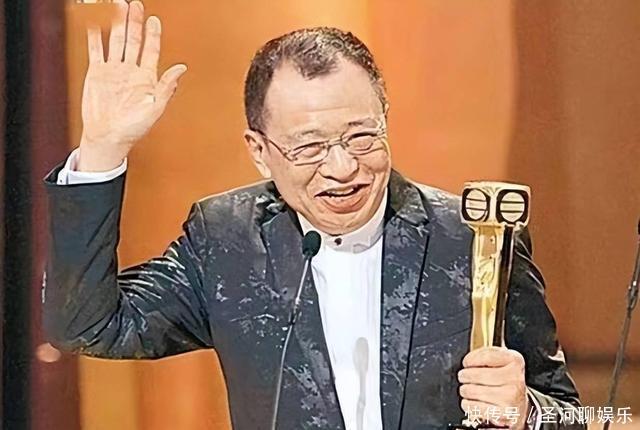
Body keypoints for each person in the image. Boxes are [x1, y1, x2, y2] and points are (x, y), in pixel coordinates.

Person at [43, 1, 583, 429]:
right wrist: (102, 150)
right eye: (309, 147)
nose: (343, 168)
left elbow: (573, 415)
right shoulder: (227, 240)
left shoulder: (472, 237)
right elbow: (88, 327)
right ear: (259, 151)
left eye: (362, 136)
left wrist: (528, 413)